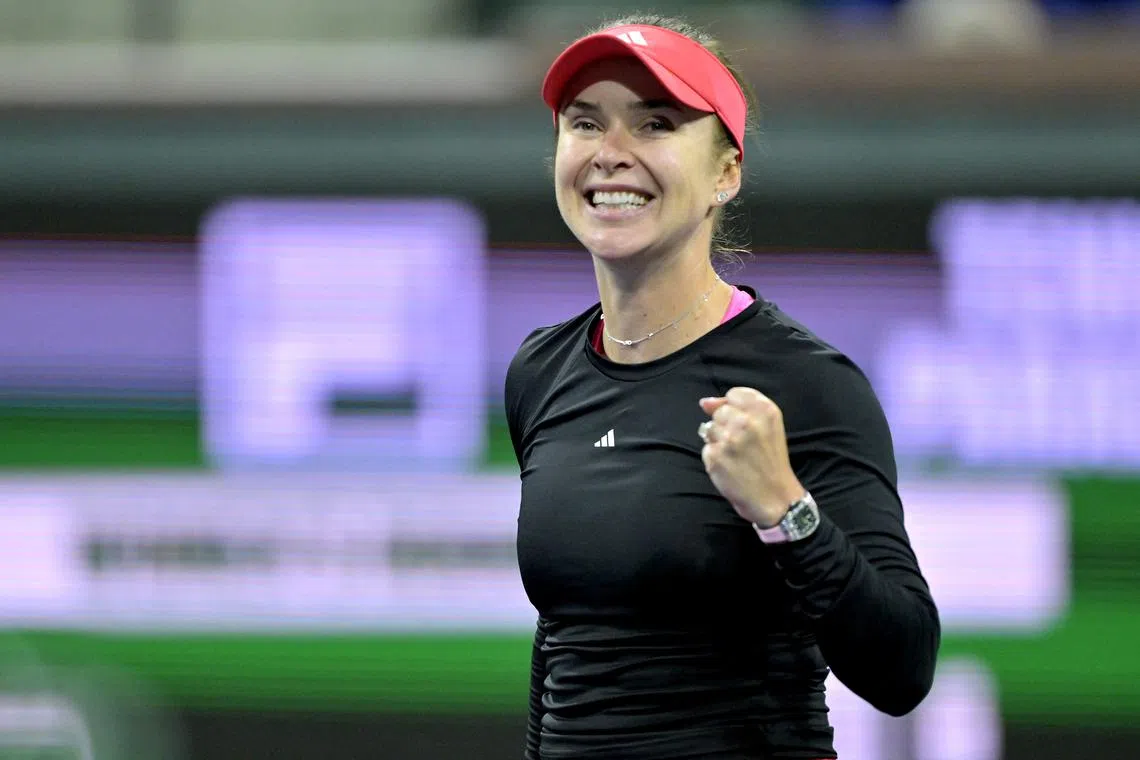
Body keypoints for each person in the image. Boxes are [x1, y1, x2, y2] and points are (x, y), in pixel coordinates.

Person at [505, 14, 941, 760]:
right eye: (585, 123)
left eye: (655, 124)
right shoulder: (542, 372)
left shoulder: (806, 383)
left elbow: (902, 668)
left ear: (725, 172)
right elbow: (563, 650)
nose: (611, 154)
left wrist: (786, 512)